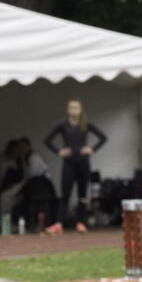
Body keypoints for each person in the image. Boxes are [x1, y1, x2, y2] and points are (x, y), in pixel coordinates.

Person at [43, 99, 106, 234]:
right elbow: (47, 140)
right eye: (71, 107)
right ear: (67, 110)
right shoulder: (63, 125)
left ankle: (81, 222)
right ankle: (59, 223)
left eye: (76, 107)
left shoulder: (85, 124)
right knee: (65, 193)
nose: (74, 110)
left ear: (81, 109)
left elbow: (102, 137)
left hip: (83, 163)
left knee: (82, 194)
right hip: (69, 163)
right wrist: (59, 151)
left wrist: (91, 148)